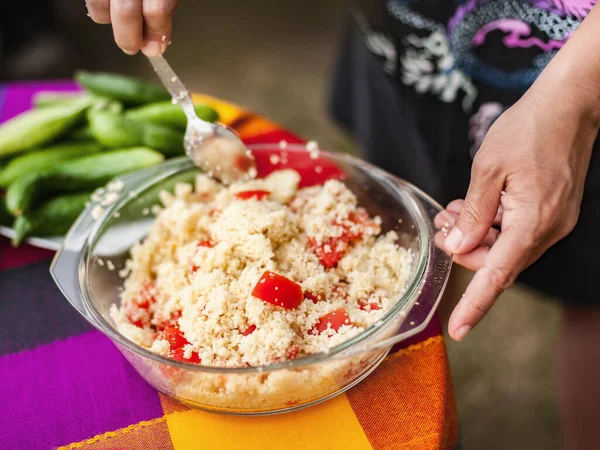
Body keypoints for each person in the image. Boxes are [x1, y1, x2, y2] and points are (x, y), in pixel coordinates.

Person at [85, 1, 600, 447]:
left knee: (591, 289)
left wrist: (576, 94)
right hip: (412, 40)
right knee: (424, 223)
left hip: (574, 59)